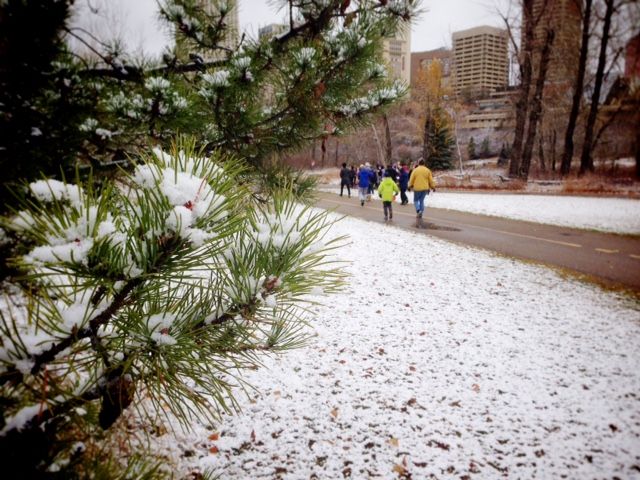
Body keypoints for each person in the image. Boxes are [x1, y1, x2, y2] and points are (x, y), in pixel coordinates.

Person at [408, 159, 436, 224]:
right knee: (421, 200)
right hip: (425, 188)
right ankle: (421, 211)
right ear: (424, 163)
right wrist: (433, 187)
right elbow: (431, 180)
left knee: (415, 200)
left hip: (417, 188)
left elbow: (411, 179)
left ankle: (418, 211)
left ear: (418, 163)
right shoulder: (427, 170)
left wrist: (409, 186)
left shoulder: (415, 170)